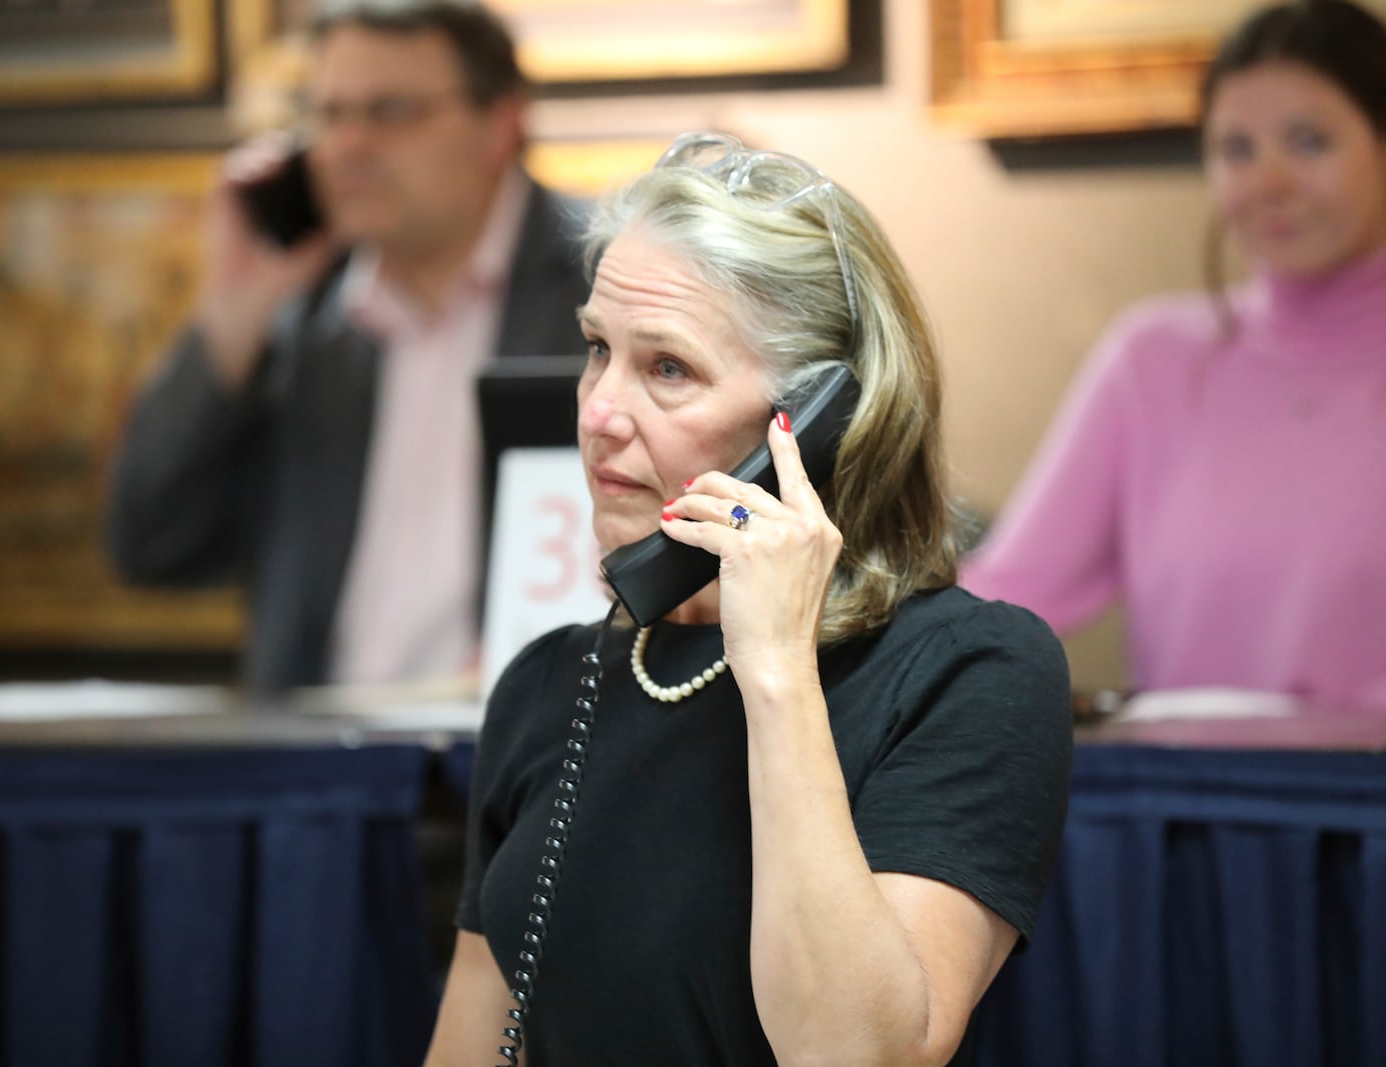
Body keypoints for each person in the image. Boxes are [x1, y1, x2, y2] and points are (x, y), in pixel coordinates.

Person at [424, 133, 1072, 1065]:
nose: (600, 411)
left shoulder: (972, 672)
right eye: (598, 349)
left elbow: (859, 1053)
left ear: (811, 420)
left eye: (668, 369)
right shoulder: (548, 683)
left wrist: (774, 670)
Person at [106, 0, 590, 690]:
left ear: (500, 124)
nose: (348, 146)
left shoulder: (605, 284)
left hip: (519, 764)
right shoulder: (305, 317)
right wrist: (234, 313)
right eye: (328, 114)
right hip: (316, 772)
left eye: (390, 112)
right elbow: (152, 544)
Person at [960, 0, 1386, 711]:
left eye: (1309, 142)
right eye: (1237, 150)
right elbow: (1007, 596)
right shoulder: (1152, 361)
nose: (1268, 182)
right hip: (1184, 808)